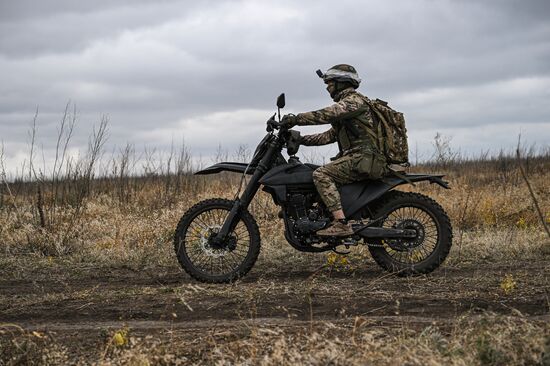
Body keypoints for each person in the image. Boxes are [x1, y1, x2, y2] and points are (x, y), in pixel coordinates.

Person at [282, 64, 387, 237]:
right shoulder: (347, 111)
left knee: (321, 174)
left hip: (363, 158)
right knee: (314, 171)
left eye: (330, 83)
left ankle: (341, 223)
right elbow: (328, 136)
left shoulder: (354, 102)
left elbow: (326, 114)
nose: (328, 87)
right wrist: (300, 140)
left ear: (342, 82)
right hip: (359, 158)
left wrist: (296, 119)